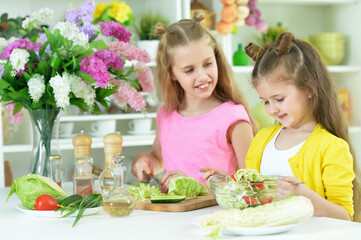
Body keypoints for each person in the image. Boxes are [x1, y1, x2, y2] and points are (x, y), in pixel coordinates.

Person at [241, 32, 360, 221]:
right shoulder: (262, 140)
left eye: (279, 99)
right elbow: (251, 195)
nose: (272, 109)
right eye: (265, 101)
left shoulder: (331, 148)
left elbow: (344, 216)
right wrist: (228, 184)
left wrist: (306, 196)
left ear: (309, 89)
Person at [131, 12, 255, 193]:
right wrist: (143, 162)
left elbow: (252, 183)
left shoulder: (233, 117)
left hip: (217, 215)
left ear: (216, 59)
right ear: (172, 73)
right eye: (189, 70)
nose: (202, 76)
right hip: (175, 216)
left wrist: (194, 184)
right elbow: (157, 158)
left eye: (207, 64)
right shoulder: (166, 115)